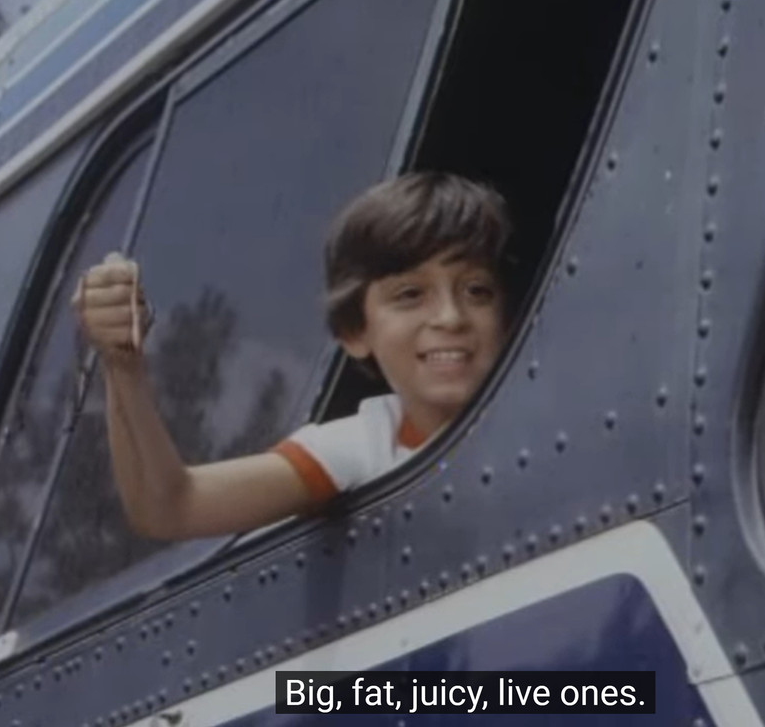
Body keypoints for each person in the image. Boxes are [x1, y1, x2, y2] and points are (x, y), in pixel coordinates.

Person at [72, 172, 511, 541]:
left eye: (477, 291)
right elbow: (172, 506)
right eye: (410, 295)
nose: (451, 317)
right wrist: (122, 364)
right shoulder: (367, 443)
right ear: (355, 332)